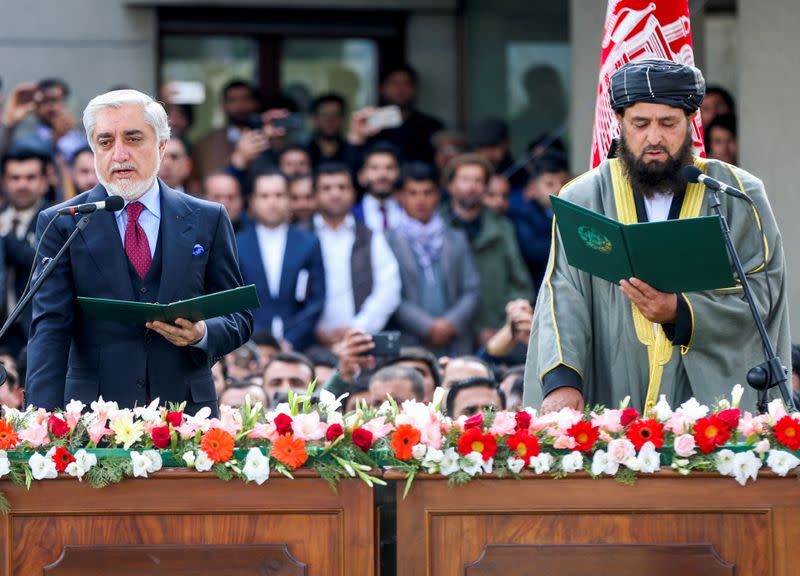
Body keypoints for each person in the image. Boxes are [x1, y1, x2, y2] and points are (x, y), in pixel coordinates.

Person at [523, 59, 790, 415]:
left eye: (668, 123)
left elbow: (764, 292)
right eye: (640, 123)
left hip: (711, 407)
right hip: (610, 395)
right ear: (619, 124)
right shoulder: (583, 197)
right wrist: (562, 382)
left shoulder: (738, 195)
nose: (654, 137)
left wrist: (681, 311)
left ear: (692, 123)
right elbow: (563, 294)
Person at [25, 89, 253, 414]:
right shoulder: (62, 222)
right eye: (105, 142)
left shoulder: (208, 218)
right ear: (93, 150)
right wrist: (41, 421)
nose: (119, 154)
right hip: (93, 420)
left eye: (133, 139)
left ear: (161, 146)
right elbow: (49, 328)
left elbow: (239, 315)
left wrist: (202, 332)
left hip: (187, 416)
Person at [387, 162, 480, 356]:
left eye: (427, 192)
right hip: (410, 341)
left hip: (454, 340)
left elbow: (472, 290)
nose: (421, 200)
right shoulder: (388, 241)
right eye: (413, 193)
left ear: (438, 195)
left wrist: (450, 323)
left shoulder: (456, 237)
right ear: (400, 196)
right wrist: (427, 326)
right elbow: (391, 296)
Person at [441, 154, 532, 344]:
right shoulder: (434, 227)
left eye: (478, 180)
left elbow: (520, 284)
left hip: (495, 333)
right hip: (447, 332)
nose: (471, 186)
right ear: (450, 185)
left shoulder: (503, 227)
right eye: (465, 179)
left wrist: (503, 326)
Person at [312, 163, 401, 346]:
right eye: (327, 188)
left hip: (360, 342)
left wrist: (358, 328)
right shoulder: (300, 237)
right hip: (309, 342)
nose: (335, 194)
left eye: (342, 187)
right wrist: (313, 329)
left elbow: (388, 288)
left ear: (353, 193)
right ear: (315, 195)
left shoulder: (370, 236)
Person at [236, 170, 325, 351]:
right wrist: (256, 342)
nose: (272, 202)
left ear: (289, 199)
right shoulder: (236, 244)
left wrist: (291, 341)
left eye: (279, 195)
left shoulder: (309, 243)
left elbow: (316, 300)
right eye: (264, 196)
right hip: (249, 347)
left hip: (299, 347)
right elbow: (233, 300)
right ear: (252, 201)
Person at [0, 148, 49, 352]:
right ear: (4, 181)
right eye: (15, 177)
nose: (22, 184)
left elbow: (46, 263)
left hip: (36, 333)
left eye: (30, 177)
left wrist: (6, 238)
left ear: (45, 181)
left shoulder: (57, 220)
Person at [351, 64, 444, 165]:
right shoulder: (369, 126)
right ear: (382, 88)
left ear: (415, 89)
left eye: (406, 83)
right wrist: (357, 137)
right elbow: (354, 165)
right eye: (394, 83)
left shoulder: (431, 126)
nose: (400, 89)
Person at [508, 152, 570, 290]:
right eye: (549, 184)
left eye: (564, 182)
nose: (558, 188)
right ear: (533, 188)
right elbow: (531, 251)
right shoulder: (521, 213)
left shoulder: (573, 212)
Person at [192, 80, 259, 183]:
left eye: (245, 99)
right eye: (233, 100)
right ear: (223, 106)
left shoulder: (265, 136)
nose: (240, 106)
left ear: (255, 103)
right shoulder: (207, 143)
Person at [353, 142, 403, 233]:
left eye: (389, 168)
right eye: (374, 168)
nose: (382, 174)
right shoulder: (350, 215)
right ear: (361, 177)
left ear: (399, 173)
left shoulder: (409, 212)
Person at [307, 93, 361, 174]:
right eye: (324, 114)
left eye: (336, 114)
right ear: (314, 119)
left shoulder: (355, 151)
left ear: (343, 119)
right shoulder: (304, 152)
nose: (330, 120)